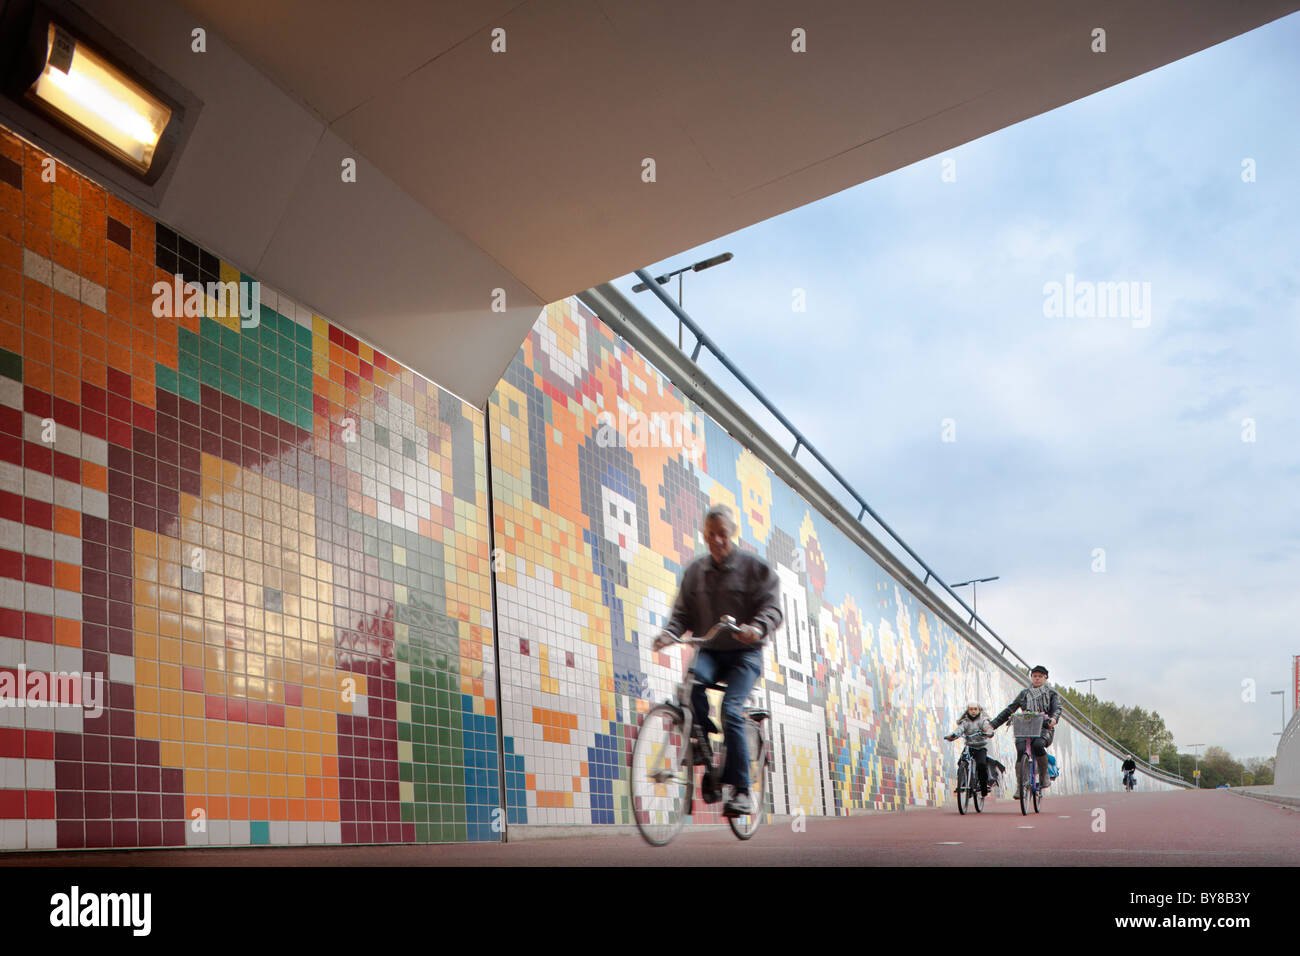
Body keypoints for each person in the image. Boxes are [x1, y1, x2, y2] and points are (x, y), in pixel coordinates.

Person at [652, 503, 782, 817]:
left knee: (732, 710)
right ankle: (702, 746)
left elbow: (772, 608)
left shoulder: (755, 568)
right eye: (710, 535)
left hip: (745, 654)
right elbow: (681, 614)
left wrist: (756, 628)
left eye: (722, 533)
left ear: (732, 532)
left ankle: (742, 791)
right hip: (710, 651)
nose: (717, 540)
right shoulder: (696, 572)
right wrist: (669, 633)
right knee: (691, 687)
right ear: (704, 535)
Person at [989, 665, 1062, 789]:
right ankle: (1021, 785)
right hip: (1025, 727)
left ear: (1045, 678)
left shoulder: (1051, 693)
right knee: (1021, 749)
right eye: (1034, 676)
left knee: (1038, 745)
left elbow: (1057, 708)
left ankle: (1044, 775)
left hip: (1044, 728)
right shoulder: (1024, 694)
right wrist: (992, 724)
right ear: (1031, 677)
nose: (1037, 678)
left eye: (1040, 676)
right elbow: (1009, 710)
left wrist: (1053, 719)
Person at [945, 703, 995, 796]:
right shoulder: (965, 722)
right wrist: (953, 735)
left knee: (981, 765)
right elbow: (959, 730)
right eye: (971, 709)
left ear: (979, 710)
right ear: (967, 711)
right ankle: (962, 783)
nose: (973, 711)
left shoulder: (983, 720)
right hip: (969, 747)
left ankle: (983, 786)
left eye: (975, 709)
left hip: (980, 747)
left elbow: (987, 727)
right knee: (961, 762)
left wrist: (989, 732)